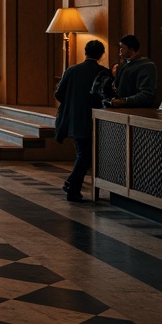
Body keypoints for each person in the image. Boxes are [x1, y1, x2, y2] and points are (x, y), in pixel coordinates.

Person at [54, 39, 108, 202]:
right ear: (101, 55)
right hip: (94, 119)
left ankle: (72, 186)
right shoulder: (103, 73)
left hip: (73, 119)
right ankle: (71, 185)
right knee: (85, 155)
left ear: (85, 52)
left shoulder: (71, 70)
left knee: (83, 154)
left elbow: (58, 94)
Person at [105, 34, 157, 108]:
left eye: (122, 48)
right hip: (121, 110)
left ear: (131, 49)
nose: (120, 50)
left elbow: (147, 94)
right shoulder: (125, 65)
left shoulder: (146, 65)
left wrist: (124, 101)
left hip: (136, 111)